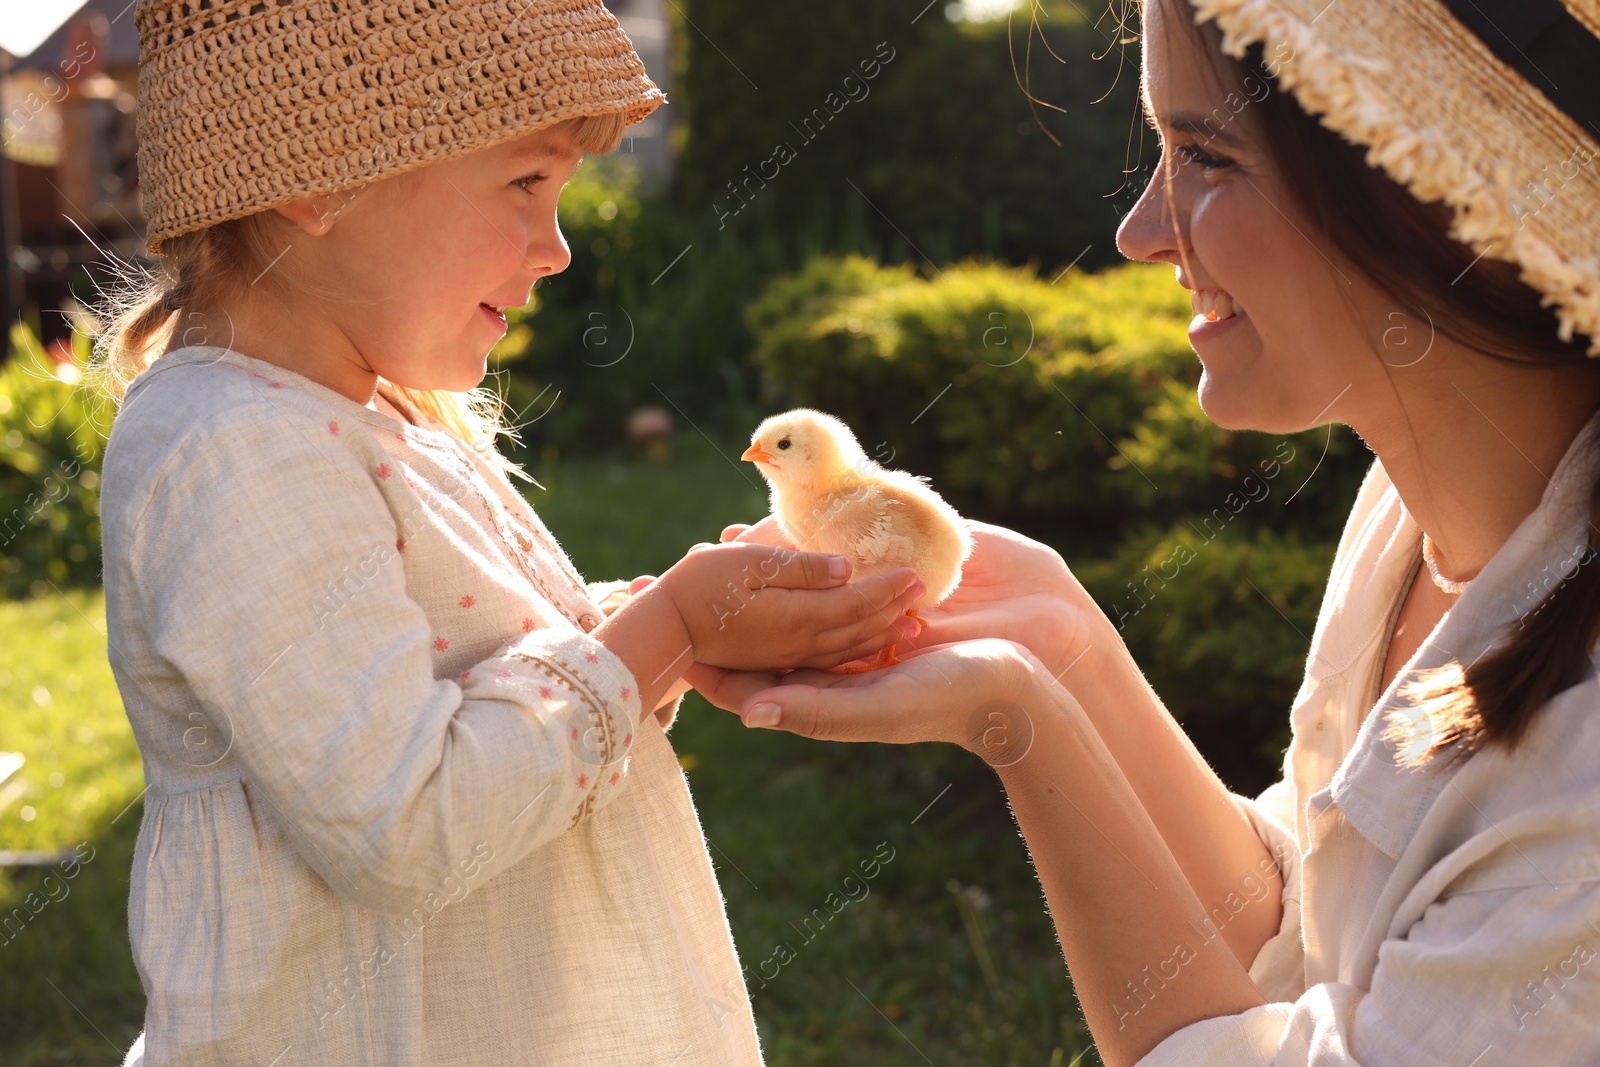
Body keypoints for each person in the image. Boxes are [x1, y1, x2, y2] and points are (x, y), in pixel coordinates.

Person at [692, 0, 1600, 1063]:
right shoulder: (1411, 519)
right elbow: (1315, 928)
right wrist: (1058, 637)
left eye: (1207, 154)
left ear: (1441, 200)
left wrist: (1018, 721)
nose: (1137, 231)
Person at [89, 1, 925, 1063]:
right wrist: (665, 627)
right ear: (314, 174)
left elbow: (457, 669)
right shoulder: (234, 449)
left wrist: (659, 625)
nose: (559, 247)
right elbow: (409, 822)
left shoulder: (357, 411)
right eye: (525, 183)